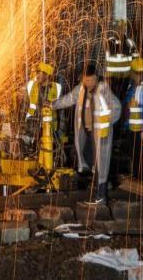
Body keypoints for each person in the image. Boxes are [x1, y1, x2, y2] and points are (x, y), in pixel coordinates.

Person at [52, 63, 121, 204]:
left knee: (100, 164)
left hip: (101, 135)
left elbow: (117, 107)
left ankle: (101, 196)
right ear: (82, 79)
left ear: (96, 78)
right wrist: (53, 105)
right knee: (88, 158)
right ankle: (100, 186)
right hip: (87, 133)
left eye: (92, 80)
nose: (89, 83)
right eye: (86, 80)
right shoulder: (80, 90)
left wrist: (107, 123)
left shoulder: (103, 90)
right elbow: (68, 99)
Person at [24, 62, 62, 155]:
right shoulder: (32, 86)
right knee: (33, 149)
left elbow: (61, 107)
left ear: (46, 75)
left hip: (50, 124)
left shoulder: (57, 87)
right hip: (34, 122)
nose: (37, 76)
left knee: (49, 150)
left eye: (39, 73)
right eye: (37, 73)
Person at [105, 20, 138, 101]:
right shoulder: (110, 41)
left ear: (125, 28)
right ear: (114, 29)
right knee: (113, 100)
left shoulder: (129, 42)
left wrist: (134, 74)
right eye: (117, 28)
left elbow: (135, 57)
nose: (119, 29)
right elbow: (107, 56)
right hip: (112, 77)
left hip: (125, 77)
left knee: (124, 99)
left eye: (122, 28)